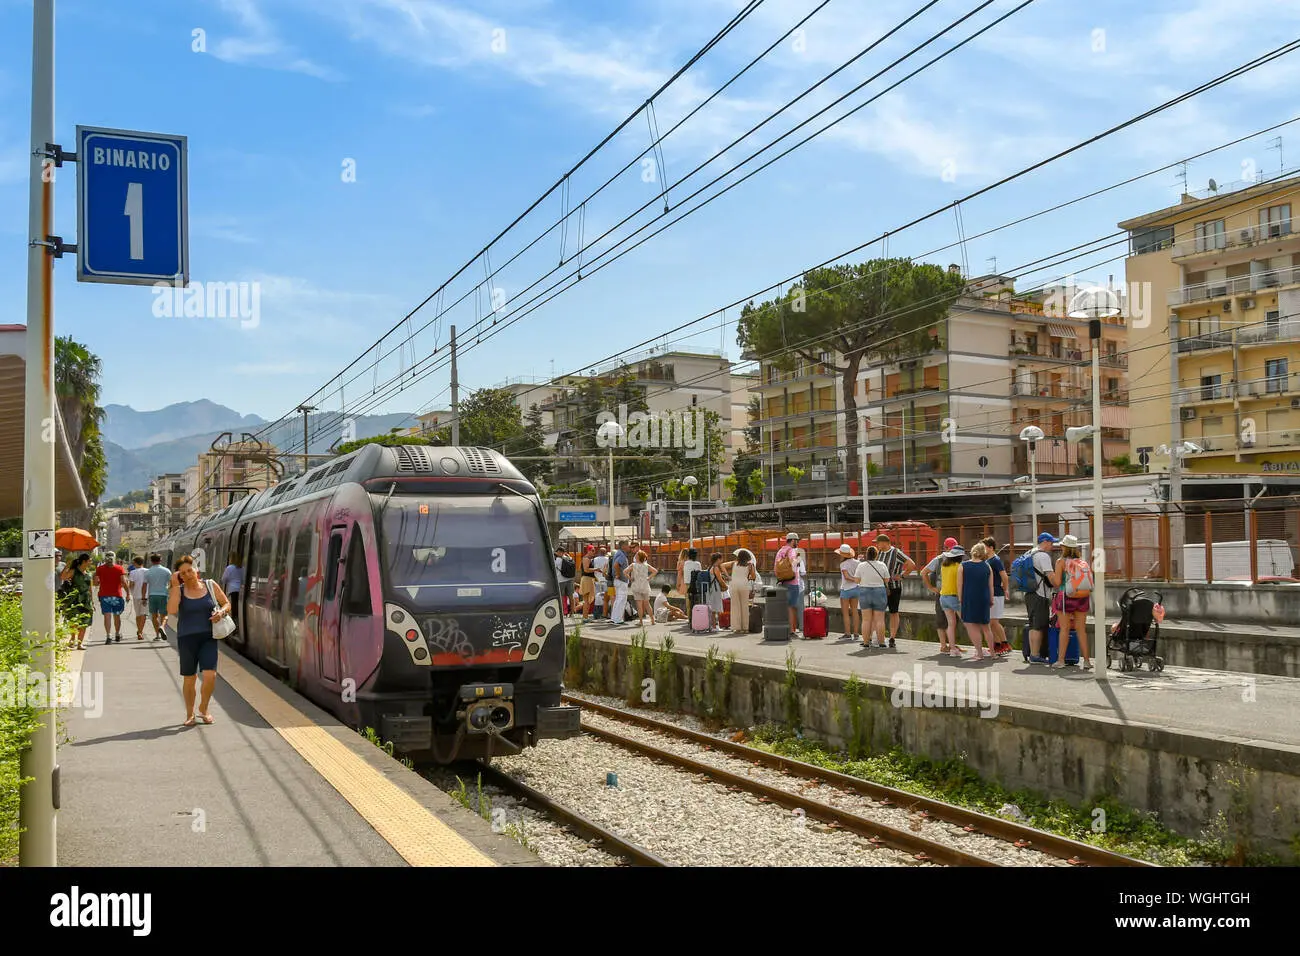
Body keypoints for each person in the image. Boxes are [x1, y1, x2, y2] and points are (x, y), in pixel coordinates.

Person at [167, 555, 231, 726]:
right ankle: (190, 714)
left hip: (208, 638)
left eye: (190, 570)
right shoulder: (179, 590)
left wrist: (221, 613)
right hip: (186, 639)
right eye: (183, 573)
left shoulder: (210, 585)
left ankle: (203, 708)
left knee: (210, 675)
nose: (188, 574)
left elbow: (226, 603)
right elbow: (172, 610)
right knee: (190, 678)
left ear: (196, 570)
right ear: (179, 575)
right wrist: (174, 585)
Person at [1053, 533, 1094, 669]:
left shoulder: (1061, 562)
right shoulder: (1083, 562)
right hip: (1082, 596)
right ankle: (1087, 661)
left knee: (1064, 629)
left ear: (1063, 547)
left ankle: (1061, 660)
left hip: (1066, 597)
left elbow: (1058, 583)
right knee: (1081, 630)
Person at [876, 533, 916, 648]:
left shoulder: (896, 552)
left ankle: (892, 637)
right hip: (880, 587)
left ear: (884, 542)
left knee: (893, 612)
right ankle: (880, 637)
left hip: (894, 587)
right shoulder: (879, 553)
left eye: (878, 542)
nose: (877, 545)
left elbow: (911, 564)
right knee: (879, 613)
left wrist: (902, 576)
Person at [958, 542, 997, 659]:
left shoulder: (963, 566)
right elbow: (991, 586)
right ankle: (993, 653)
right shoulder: (987, 566)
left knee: (972, 626)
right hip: (984, 597)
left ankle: (979, 653)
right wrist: (991, 599)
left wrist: (961, 599)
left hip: (969, 597)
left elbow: (959, 585)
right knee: (986, 627)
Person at [1026, 532, 1060, 663]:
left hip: (1029, 593)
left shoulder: (1030, 553)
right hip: (1040, 594)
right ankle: (1035, 655)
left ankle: (1032, 653)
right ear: (1045, 542)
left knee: (1033, 624)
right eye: (1051, 542)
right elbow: (1051, 577)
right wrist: (1059, 584)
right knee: (1038, 626)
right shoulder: (1043, 556)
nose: (1052, 545)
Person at [921, 537, 959, 650]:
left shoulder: (957, 558)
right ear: (946, 548)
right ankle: (943, 645)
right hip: (943, 593)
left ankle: (951, 644)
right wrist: (931, 588)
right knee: (942, 620)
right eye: (952, 549)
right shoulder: (938, 559)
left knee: (952, 621)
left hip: (951, 593)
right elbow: (924, 572)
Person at [854, 546, 892, 648]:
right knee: (880, 619)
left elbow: (856, 580)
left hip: (864, 591)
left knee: (866, 620)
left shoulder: (861, 566)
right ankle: (881, 642)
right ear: (876, 555)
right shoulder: (882, 565)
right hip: (879, 592)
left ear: (867, 554)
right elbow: (887, 579)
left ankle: (866, 642)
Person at [58, 553, 94, 649]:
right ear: (84, 561)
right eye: (90, 560)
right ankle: (72, 640)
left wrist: (92, 602)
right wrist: (67, 565)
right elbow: (62, 577)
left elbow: (90, 589)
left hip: (86, 600)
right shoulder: (74, 571)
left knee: (85, 621)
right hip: (74, 598)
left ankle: (79, 643)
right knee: (74, 620)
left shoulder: (89, 573)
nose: (91, 562)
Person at [982, 536, 1010, 654]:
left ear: (991, 548)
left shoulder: (996, 560)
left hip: (997, 593)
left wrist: (1005, 589)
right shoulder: (988, 560)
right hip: (990, 593)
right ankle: (997, 645)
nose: (983, 549)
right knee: (991, 622)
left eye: (984, 547)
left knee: (994, 621)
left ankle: (1005, 644)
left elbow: (1004, 576)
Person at [93, 554, 130, 643]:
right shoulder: (119, 568)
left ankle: (108, 636)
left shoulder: (100, 569)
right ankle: (117, 634)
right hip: (117, 595)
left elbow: (95, 583)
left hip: (104, 596)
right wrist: (128, 594)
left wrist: (99, 580)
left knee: (107, 616)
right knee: (117, 615)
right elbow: (124, 582)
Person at [938, 544, 966, 655]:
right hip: (954, 597)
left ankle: (953, 648)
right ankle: (978, 648)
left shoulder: (944, 566)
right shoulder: (959, 567)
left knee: (951, 623)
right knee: (968, 623)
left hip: (943, 597)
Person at [722, 549, 757, 635]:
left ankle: (736, 628)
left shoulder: (734, 563)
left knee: (735, 606)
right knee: (744, 606)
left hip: (734, 584)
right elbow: (753, 576)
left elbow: (722, 565)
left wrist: (728, 576)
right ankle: (745, 628)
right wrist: (748, 574)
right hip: (744, 585)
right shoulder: (750, 565)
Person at [775, 532, 803, 638]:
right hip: (793, 582)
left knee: (784, 606)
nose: (797, 543)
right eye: (797, 541)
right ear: (792, 541)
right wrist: (798, 560)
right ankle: (792, 630)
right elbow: (793, 563)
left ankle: (784, 627)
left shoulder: (780, 551)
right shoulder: (791, 551)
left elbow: (776, 567)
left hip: (782, 582)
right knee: (792, 607)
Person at [143, 552, 172, 641]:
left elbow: (144, 586)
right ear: (160, 560)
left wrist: (143, 598)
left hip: (152, 595)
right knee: (165, 615)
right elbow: (172, 583)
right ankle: (162, 626)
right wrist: (169, 591)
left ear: (151, 561)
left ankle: (157, 635)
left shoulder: (148, 572)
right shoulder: (167, 571)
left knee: (154, 616)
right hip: (163, 595)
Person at [835, 544, 861, 643]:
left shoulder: (843, 564)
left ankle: (847, 633)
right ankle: (856, 633)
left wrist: (853, 579)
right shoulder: (857, 562)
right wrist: (857, 580)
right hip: (856, 588)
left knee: (845, 613)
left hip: (846, 589)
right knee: (855, 611)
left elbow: (846, 577)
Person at [628, 550, 657, 626]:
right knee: (647, 604)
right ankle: (652, 620)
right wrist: (649, 578)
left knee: (639, 605)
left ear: (637, 557)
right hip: (645, 586)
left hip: (636, 586)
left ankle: (641, 621)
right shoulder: (646, 565)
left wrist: (630, 578)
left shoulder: (633, 565)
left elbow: (625, 571)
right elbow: (655, 571)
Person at [608, 540, 631, 625]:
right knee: (622, 600)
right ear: (623, 546)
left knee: (618, 600)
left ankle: (614, 618)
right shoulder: (622, 554)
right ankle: (618, 620)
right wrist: (618, 574)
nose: (629, 547)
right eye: (627, 545)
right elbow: (616, 564)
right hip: (621, 580)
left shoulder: (618, 553)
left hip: (618, 580)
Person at [128, 556, 149, 640]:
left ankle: (139, 631)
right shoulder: (148, 571)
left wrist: (130, 590)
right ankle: (140, 631)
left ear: (136, 563)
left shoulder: (132, 572)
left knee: (138, 614)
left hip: (136, 596)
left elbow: (131, 585)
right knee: (143, 614)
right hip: (146, 596)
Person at [221, 552, 243, 633]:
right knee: (237, 607)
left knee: (233, 608)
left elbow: (224, 579)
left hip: (232, 590)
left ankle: (234, 626)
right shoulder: (242, 568)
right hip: (240, 590)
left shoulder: (229, 568)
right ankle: (237, 623)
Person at [705, 552, 726, 631]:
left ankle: (713, 626)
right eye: (721, 559)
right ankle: (714, 626)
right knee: (715, 608)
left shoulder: (710, 567)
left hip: (711, 588)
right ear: (718, 559)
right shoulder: (716, 568)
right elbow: (720, 580)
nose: (722, 560)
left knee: (713, 608)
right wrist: (725, 586)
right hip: (715, 588)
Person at [578, 544, 597, 621]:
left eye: (594, 551)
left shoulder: (587, 558)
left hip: (587, 579)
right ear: (588, 551)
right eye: (592, 550)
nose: (594, 552)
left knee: (587, 600)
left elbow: (580, 568)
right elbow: (586, 570)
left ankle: (585, 617)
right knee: (586, 600)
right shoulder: (586, 558)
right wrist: (596, 569)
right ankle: (585, 617)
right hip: (587, 579)